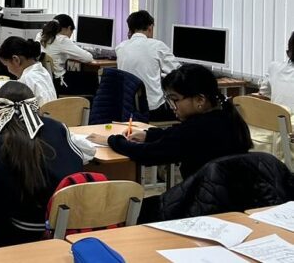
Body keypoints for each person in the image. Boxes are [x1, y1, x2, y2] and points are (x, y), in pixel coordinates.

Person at [90, 64, 252, 222]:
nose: (172, 107)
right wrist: (148, 135)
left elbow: (148, 154)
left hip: (202, 207)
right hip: (231, 200)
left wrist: (113, 140)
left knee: (126, 210)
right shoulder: (226, 116)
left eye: (175, 100)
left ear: (200, 100)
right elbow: (177, 136)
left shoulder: (196, 129)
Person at [0, 81, 95, 247]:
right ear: (35, 106)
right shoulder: (57, 127)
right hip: (65, 223)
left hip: (18, 229)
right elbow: (89, 152)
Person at [115, 10, 180, 121]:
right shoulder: (157, 46)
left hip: (126, 109)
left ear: (130, 29)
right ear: (150, 28)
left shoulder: (120, 47)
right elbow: (178, 73)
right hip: (153, 110)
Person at [0, 37, 56, 106]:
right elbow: (15, 85)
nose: (8, 69)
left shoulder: (28, 78)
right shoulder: (41, 71)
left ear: (16, 60)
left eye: (7, 65)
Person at [40, 15, 96, 96]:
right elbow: (88, 58)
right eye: (71, 32)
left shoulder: (41, 36)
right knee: (93, 78)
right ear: (69, 28)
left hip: (47, 81)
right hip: (60, 83)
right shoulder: (62, 39)